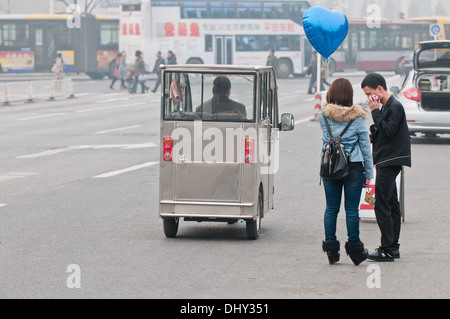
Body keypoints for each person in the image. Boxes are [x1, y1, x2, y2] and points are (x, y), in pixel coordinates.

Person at [319, 78, 374, 266]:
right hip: (354, 167)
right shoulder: (357, 118)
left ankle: (331, 250)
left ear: (331, 94)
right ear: (349, 95)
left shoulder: (323, 116)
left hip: (330, 166)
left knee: (331, 208)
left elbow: (325, 141)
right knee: (351, 210)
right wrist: (369, 173)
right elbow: (366, 148)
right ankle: (355, 249)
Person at [361, 73, 412, 262]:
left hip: (389, 161)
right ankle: (393, 247)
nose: (368, 99)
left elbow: (389, 131)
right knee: (391, 203)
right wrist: (375, 130)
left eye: (369, 94)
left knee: (382, 204)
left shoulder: (394, 106)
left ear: (379, 89)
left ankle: (387, 248)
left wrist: (375, 112)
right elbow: (385, 130)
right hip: (388, 159)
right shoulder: (388, 106)